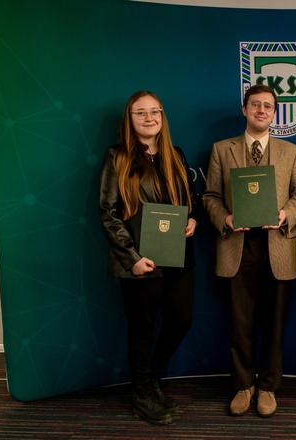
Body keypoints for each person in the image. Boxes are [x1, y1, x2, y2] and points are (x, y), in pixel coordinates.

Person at [203, 84, 296, 418]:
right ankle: (243, 385)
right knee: (240, 322)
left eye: (268, 106)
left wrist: (286, 215)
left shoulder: (292, 151)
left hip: (278, 245)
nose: (261, 110)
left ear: (275, 113)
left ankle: (268, 387)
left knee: (274, 324)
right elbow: (210, 196)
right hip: (237, 246)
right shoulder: (222, 150)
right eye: (255, 104)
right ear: (245, 109)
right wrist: (226, 219)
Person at [99, 90, 200, 425]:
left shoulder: (175, 154)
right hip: (141, 262)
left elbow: (190, 199)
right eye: (140, 112)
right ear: (129, 119)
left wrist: (193, 219)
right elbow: (108, 212)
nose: (149, 118)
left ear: (162, 116)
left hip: (177, 257)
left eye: (155, 111)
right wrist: (132, 257)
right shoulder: (117, 157)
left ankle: (151, 379)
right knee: (142, 330)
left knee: (181, 320)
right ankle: (143, 394)